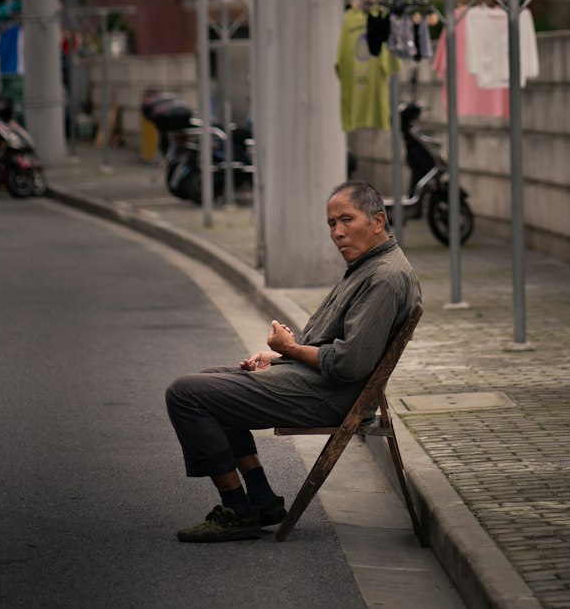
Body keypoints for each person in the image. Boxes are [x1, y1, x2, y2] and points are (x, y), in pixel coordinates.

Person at [165, 179, 421, 543]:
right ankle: (263, 499)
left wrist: (291, 350)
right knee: (207, 381)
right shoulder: (370, 264)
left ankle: (238, 509)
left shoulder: (384, 277)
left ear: (378, 221)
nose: (338, 232)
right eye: (332, 223)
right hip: (317, 383)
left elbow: (349, 364)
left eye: (347, 220)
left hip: (328, 397)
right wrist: (279, 353)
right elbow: (333, 342)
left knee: (186, 394)